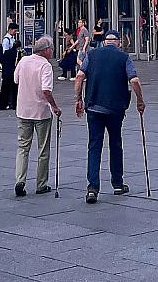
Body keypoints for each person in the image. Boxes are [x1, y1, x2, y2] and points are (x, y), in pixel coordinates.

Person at [75, 30, 146, 204]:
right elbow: (134, 80)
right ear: (119, 42)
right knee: (115, 144)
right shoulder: (124, 57)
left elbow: (80, 76)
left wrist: (78, 99)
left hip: (93, 106)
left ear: (105, 42)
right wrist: (140, 100)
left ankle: (92, 188)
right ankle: (117, 183)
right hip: (115, 108)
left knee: (94, 146)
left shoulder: (92, 55)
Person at [13, 35, 61, 197]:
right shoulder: (45, 65)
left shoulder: (23, 61)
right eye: (51, 49)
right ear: (45, 50)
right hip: (41, 112)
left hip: (23, 110)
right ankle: (41, 184)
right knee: (43, 149)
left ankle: (20, 180)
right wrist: (54, 107)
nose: (52, 51)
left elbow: (16, 79)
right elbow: (46, 90)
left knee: (22, 147)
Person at [0, 23, 21, 111]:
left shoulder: (12, 39)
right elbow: (5, 53)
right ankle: (4, 103)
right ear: (10, 29)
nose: (15, 32)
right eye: (15, 31)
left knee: (13, 84)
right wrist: (13, 49)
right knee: (6, 85)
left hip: (12, 65)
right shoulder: (6, 39)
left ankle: (12, 102)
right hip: (8, 66)